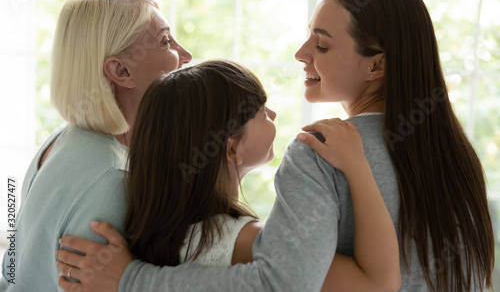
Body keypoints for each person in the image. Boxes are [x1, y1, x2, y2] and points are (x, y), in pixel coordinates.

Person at [55, 0, 494, 292]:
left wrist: (131, 279)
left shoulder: (320, 154)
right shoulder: (458, 155)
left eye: (321, 45)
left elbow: (282, 282)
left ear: (377, 65)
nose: (302, 53)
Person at [58, 59, 399, 290]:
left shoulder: (165, 228)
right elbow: (378, 283)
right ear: (232, 148)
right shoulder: (242, 241)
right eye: (261, 110)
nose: (274, 113)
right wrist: (357, 167)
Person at [0, 0, 192, 291]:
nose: (186, 55)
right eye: (166, 41)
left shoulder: (60, 139)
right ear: (120, 70)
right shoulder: (113, 179)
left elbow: (12, 268)